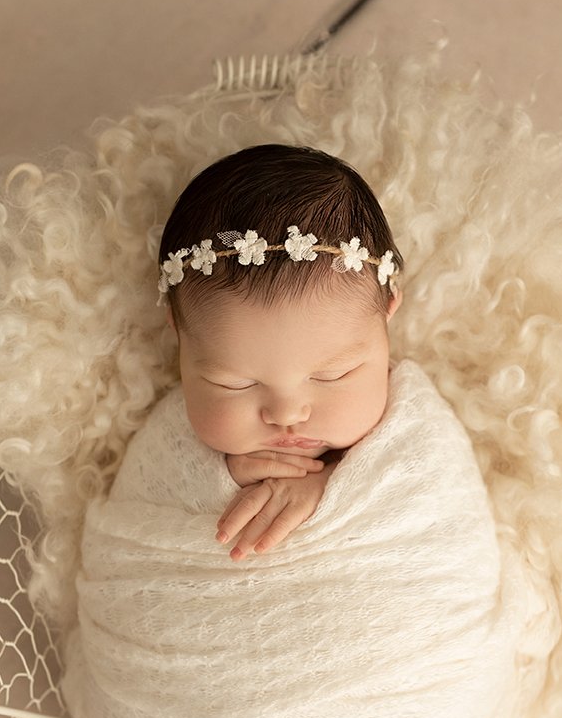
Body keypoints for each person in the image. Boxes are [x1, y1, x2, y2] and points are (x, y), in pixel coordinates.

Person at [155, 142, 404, 562]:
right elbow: (143, 498)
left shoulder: (411, 421)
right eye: (235, 383)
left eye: (334, 375)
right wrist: (219, 479)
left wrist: (330, 489)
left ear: (387, 316)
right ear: (179, 335)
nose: (287, 415)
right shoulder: (167, 438)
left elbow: (439, 494)